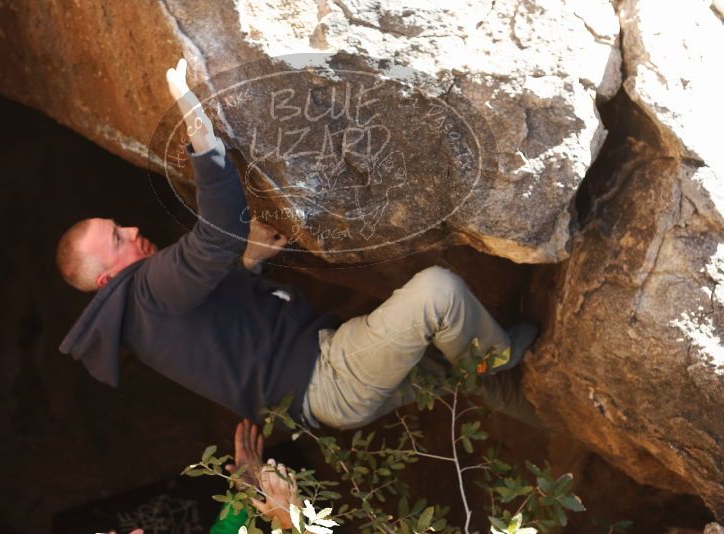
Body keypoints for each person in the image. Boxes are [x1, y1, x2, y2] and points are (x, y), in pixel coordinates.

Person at [57, 57, 539, 433]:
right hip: (332, 376)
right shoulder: (144, 291)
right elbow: (214, 235)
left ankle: (540, 403)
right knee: (439, 293)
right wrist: (200, 134)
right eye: (118, 238)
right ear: (106, 278)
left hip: (322, 391)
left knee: (461, 371)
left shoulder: (143, 322)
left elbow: (218, 327)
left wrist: (248, 264)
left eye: (121, 225)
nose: (134, 232)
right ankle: (499, 357)